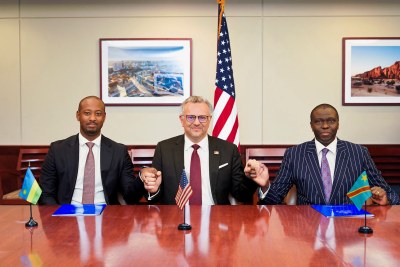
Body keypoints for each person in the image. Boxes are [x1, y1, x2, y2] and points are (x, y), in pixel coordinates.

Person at [252, 103, 400, 205]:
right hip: (307, 229)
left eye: (331, 121)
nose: (325, 126)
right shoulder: (295, 154)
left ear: (338, 123)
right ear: (311, 125)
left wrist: (386, 198)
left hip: (348, 229)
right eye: (318, 121)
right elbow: (274, 198)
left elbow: (387, 192)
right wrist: (265, 186)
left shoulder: (359, 152)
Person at [140, 96, 259, 205]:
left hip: (217, 218)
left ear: (209, 120)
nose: (196, 123)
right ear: (182, 120)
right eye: (191, 117)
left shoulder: (228, 150)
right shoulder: (164, 149)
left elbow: (241, 194)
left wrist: (251, 177)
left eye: (202, 117)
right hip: (175, 217)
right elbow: (154, 196)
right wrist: (153, 190)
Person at [39, 96, 146, 205]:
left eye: (98, 114)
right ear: (78, 115)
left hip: (107, 216)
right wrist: (58, 219)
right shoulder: (58, 150)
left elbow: (130, 196)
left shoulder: (119, 152)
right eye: (87, 113)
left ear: (104, 117)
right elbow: (46, 193)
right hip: (67, 213)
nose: (92, 118)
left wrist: (141, 178)